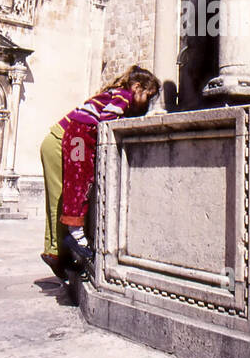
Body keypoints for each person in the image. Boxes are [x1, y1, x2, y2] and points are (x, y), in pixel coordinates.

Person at [40, 65, 160, 279]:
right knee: (65, 195)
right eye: (148, 96)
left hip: (68, 138)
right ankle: (59, 253)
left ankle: (61, 253)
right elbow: (106, 121)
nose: (147, 102)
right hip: (62, 141)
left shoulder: (112, 94)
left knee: (68, 193)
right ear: (137, 87)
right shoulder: (122, 97)